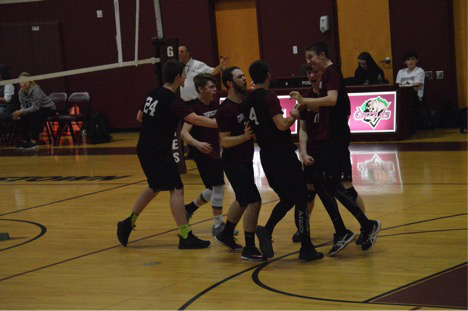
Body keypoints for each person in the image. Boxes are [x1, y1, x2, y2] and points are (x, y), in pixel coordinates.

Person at [290, 43, 381, 256]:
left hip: (334, 140)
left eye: (311, 58)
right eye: (307, 64)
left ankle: (363, 226)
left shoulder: (332, 73)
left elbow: (332, 102)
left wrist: (305, 101)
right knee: (323, 187)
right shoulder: (320, 85)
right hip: (322, 144)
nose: (309, 64)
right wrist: (300, 108)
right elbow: (314, 113)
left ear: (322, 56)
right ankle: (351, 229)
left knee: (340, 186)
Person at [117, 59, 218, 250]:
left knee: (155, 186)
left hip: (145, 148)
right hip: (157, 151)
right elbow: (195, 119)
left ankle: (127, 223)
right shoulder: (173, 100)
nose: (186, 77)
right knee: (176, 189)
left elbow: (140, 117)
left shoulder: (153, 92)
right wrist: (221, 123)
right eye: (184, 74)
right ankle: (185, 235)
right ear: (178, 77)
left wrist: (157, 125)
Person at [244, 60, 323, 262]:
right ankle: (306, 247)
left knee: (289, 198)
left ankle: (267, 230)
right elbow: (281, 125)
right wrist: (293, 115)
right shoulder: (268, 96)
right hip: (282, 155)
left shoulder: (247, 98)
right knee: (302, 198)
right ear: (269, 74)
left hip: (265, 156)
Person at [213, 66, 265, 262]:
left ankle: (226, 234)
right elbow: (224, 142)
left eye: (244, 76)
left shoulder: (244, 102)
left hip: (244, 160)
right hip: (233, 163)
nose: (244, 79)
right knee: (254, 200)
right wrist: (245, 137)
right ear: (229, 83)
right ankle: (249, 248)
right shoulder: (225, 110)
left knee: (242, 200)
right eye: (240, 77)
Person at [180, 73, 238, 237]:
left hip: (216, 151)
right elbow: (184, 134)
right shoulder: (193, 109)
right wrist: (198, 144)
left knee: (213, 189)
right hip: (203, 153)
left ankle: (189, 208)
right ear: (200, 89)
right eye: (211, 87)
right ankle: (218, 225)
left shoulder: (214, 104)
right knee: (218, 187)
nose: (214, 90)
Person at [14, 72, 56, 149]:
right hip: (37, 109)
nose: (24, 84)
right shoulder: (21, 92)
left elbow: (36, 107)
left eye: (25, 81)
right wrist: (20, 112)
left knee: (35, 115)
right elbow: (23, 106)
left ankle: (34, 141)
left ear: (29, 82)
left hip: (49, 109)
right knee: (23, 116)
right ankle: (25, 140)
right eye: (21, 82)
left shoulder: (36, 90)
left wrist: (22, 111)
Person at [395, 51, 425, 134]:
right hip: (402, 95)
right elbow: (397, 85)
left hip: (415, 97)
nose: (410, 61)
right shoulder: (401, 72)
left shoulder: (419, 71)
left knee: (408, 100)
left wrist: (404, 86)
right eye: (408, 60)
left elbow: (416, 88)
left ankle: (410, 128)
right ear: (405, 62)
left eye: (413, 59)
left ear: (416, 61)